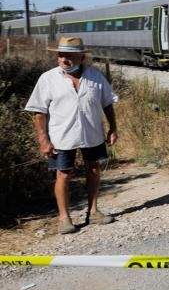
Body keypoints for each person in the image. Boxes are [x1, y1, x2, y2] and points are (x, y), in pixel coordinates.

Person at [24, 36, 118, 234]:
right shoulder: (48, 78)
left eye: (68, 56)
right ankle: (64, 218)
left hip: (92, 132)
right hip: (62, 135)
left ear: (81, 57)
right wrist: (43, 140)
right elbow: (39, 113)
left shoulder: (95, 77)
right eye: (60, 55)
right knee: (64, 173)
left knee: (93, 169)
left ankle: (93, 211)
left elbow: (107, 103)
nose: (63, 59)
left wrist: (113, 128)